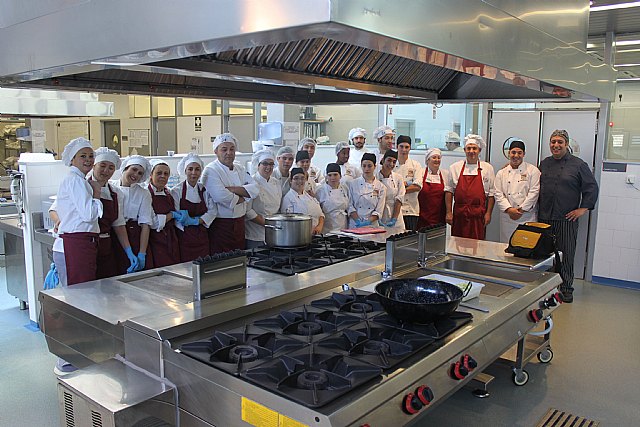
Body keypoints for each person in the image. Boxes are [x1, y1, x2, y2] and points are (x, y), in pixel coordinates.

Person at [538, 129, 599, 303]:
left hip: (566, 218)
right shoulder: (544, 163)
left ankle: (566, 289)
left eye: (560, 142)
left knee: (566, 255)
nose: (556, 145)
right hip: (544, 217)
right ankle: (547, 288)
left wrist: (583, 208)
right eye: (553, 142)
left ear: (566, 144)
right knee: (546, 255)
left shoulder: (579, 165)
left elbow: (591, 188)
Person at [54, 137, 102, 286]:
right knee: (79, 295)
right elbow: (89, 215)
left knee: (81, 293)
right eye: (83, 156)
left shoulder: (79, 180)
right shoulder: (75, 181)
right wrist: (97, 194)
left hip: (80, 244)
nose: (88, 160)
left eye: (91, 156)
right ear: (72, 159)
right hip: (75, 245)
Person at [203, 133, 259, 253]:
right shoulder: (211, 170)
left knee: (239, 260)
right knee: (221, 262)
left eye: (232, 149)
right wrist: (245, 195)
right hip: (221, 226)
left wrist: (232, 189)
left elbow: (255, 189)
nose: (228, 152)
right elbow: (221, 197)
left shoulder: (240, 168)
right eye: (224, 149)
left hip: (240, 224)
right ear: (216, 151)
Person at [90, 147, 139, 278]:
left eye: (111, 167)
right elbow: (55, 210)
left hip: (107, 247)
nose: (106, 171)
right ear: (94, 165)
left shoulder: (116, 193)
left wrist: (129, 251)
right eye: (103, 165)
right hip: (86, 246)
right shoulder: (82, 186)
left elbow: (119, 224)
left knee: (108, 288)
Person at [445, 134, 496, 240]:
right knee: (457, 244)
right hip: (459, 215)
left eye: (474, 148)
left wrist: (488, 213)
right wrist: (449, 212)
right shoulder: (455, 167)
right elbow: (449, 191)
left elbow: (491, 194)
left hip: (478, 215)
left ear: (479, 150)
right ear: (464, 150)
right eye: (468, 148)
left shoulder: (487, 168)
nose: (471, 151)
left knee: (477, 246)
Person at [110, 155, 155, 272]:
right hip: (112, 236)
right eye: (134, 169)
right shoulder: (110, 186)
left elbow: (145, 225)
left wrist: (142, 253)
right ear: (125, 168)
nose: (136, 175)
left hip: (135, 237)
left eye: (140, 173)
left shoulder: (143, 193)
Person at [170, 153, 217, 261]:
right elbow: (176, 214)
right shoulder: (176, 191)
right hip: (184, 237)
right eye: (190, 169)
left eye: (197, 169)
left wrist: (196, 221)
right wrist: (185, 222)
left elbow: (212, 211)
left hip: (202, 236)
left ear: (201, 172)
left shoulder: (204, 190)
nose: (193, 173)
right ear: (185, 171)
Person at [494, 139, 541, 243]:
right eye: (513, 152)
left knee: (527, 245)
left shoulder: (533, 171)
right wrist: (510, 210)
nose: (516, 155)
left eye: (519, 153)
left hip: (527, 217)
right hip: (508, 217)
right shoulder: (501, 173)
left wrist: (521, 210)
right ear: (509, 153)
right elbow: (498, 193)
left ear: (524, 154)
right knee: (507, 245)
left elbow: (534, 192)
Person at [245, 149, 282, 248]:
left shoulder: (276, 182)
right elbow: (247, 210)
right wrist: (265, 223)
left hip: (274, 233)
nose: (268, 167)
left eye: (271, 164)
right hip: (255, 234)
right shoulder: (251, 182)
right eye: (265, 163)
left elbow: (278, 207)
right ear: (258, 165)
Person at [147, 160, 181, 268]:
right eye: (159, 173)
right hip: (153, 240)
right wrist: (171, 215)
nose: (163, 176)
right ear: (151, 175)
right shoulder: (145, 193)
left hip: (171, 239)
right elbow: (153, 222)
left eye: (166, 174)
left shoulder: (169, 193)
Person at [280, 167, 325, 235]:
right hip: (299, 238)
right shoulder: (288, 199)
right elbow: (288, 223)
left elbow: (321, 215)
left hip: (316, 236)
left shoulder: (309, 196)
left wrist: (319, 227)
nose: (300, 181)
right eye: (296, 178)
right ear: (290, 180)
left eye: (302, 178)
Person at [348, 153, 386, 228]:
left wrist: (368, 221)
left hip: (372, 225)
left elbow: (379, 210)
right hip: (354, 224)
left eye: (369, 166)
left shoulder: (381, 187)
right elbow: (349, 205)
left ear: (375, 166)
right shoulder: (353, 184)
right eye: (364, 166)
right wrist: (357, 220)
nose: (366, 169)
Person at [394, 135, 424, 230]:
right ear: (396, 147)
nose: (404, 150)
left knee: (410, 240)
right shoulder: (392, 164)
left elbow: (417, 186)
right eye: (401, 146)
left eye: (406, 147)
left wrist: (399, 189)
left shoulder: (415, 165)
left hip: (411, 210)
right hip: (394, 210)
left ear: (410, 148)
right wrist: (407, 185)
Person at [418, 148, 449, 228]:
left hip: (439, 218)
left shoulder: (445, 174)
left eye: (439, 158)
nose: (437, 160)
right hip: (422, 217)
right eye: (434, 157)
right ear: (427, 160)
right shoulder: (420, 173)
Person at [316, 163, 350, 233]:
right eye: (330, 175)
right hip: (327, 227)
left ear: (340, 176)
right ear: (326, 177)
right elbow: (318, 211)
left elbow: (349, 206)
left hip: (343, 225)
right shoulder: (320, 191)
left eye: (335, 175)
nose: (332, 178)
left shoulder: (345, 188)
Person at [377, 149, 406, 229]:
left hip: (396, 217)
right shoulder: (375, 177)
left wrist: (394, 219)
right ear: (383, 160)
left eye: (394, 162)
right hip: (379, 216)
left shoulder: (398, 178)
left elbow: (399, 199)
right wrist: (377, 218)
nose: (391, 164)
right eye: (389, 160)